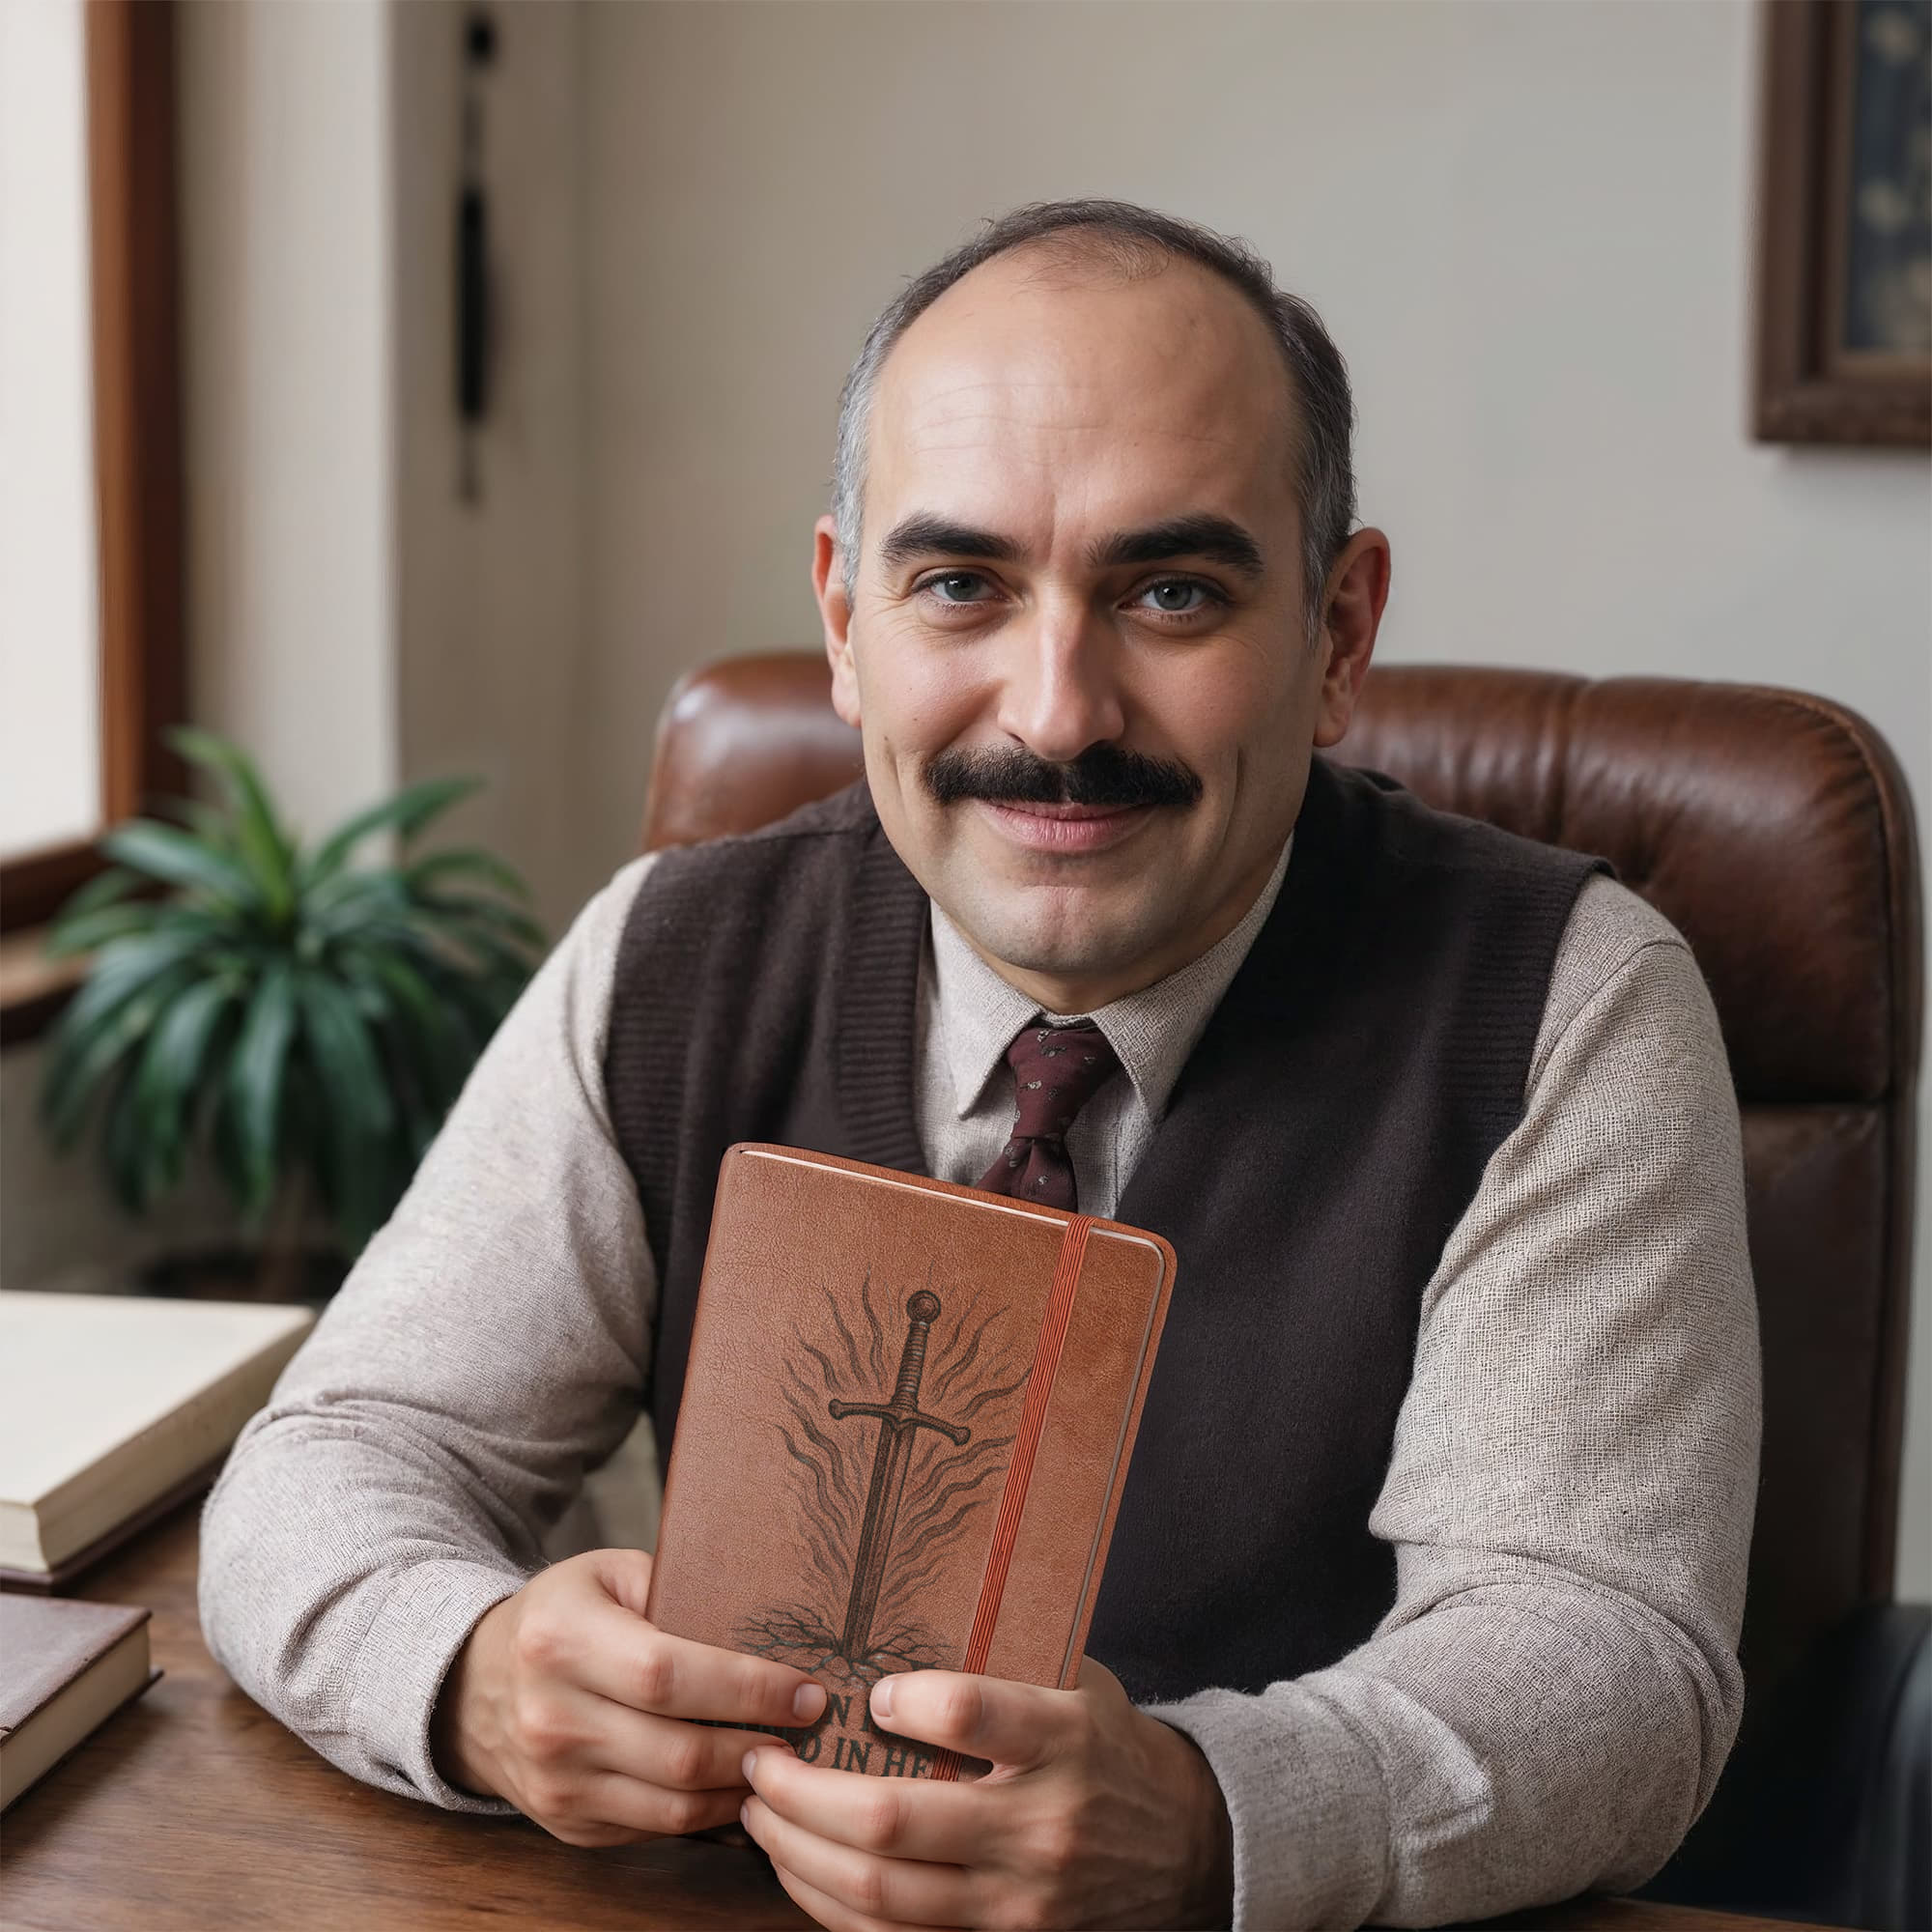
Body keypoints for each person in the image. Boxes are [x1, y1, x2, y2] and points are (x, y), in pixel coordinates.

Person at [199, 200, 1759, 1931]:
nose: (1057, 711)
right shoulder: (670, 953)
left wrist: (1208, 1819)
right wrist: (471, 1670)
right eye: (960, 584)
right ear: (845, 619)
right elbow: (327, 1469)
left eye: (1172, 590)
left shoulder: (1566, 1001)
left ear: (1336, 632)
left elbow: (1608, 1659)